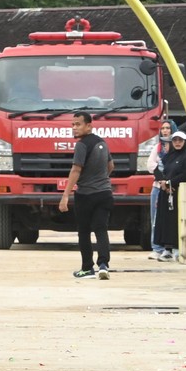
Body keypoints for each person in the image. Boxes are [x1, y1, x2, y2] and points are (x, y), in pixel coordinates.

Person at [59, 110, 114, 280]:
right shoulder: (102, 142)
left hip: (86, 195)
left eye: (78, 124)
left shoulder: (82, 145)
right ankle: (104, 265)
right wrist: (101, 179)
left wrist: (65, 195)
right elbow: (111, 166)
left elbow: (76, 170)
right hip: (105, 193)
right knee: (101, 229)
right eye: (72, 125)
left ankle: (87, 268)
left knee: (84, 231)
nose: (74, 128)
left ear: (89, 126)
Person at [151, 130, 186, 260]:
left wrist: (170, 183)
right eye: (175, 140)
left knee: (175, 221)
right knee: (164, 220)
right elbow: (158, 169)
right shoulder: (168, 156)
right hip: (166, 193)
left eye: (180, 140)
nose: (177, 143)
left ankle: (178, 248)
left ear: (185, 142)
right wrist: (163, 182)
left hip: (179, 193)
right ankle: (167, 249)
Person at [146, 118, 174, 257]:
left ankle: (170, 248)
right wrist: (161, 177)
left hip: (172, 188)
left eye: (168, 128)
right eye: (163, 128)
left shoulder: (177, 147)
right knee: (155, 218)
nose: (165, 131)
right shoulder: (157, 148)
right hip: (157, 187)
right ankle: (157, 248)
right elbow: (150, 164)